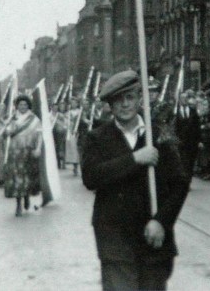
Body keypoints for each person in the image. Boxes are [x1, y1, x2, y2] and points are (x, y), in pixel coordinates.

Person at [82, 70, 189, 291]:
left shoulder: (158, 135)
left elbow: (179, 183)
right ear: (110, 105)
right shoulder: (97, 137)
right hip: (115, 238)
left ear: (139, 99)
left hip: (153, 237)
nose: (124, 105)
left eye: (129, 97)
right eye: (118, 100)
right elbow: (91, 177)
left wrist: (161, 221)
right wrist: (134, 159)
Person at [3, 95, 43, 216]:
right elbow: (6, 132)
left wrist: (38, 148)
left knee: (27, 176)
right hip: (15, 151)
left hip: (28, 151)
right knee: (16, 176)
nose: (23, 107)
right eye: (20, 105)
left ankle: (26, 195)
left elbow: (40, 135)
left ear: (28, 106)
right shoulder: (12, 118)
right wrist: (9, 128)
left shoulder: (34, 119)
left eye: (25, 105)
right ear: (17, 106)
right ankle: (18, 204)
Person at [174, 90, 201, 185]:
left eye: (186, 98)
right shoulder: (175, 112)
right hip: (180, 142)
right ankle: (183, 182)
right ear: (179, 100)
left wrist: (199, 140)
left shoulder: (193, 111)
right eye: (182, 98)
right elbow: (174, 127)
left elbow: (197, 127)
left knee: (190, 162)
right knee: (182, 162)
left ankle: (188, 181)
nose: (184, 100)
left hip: (192, 142)